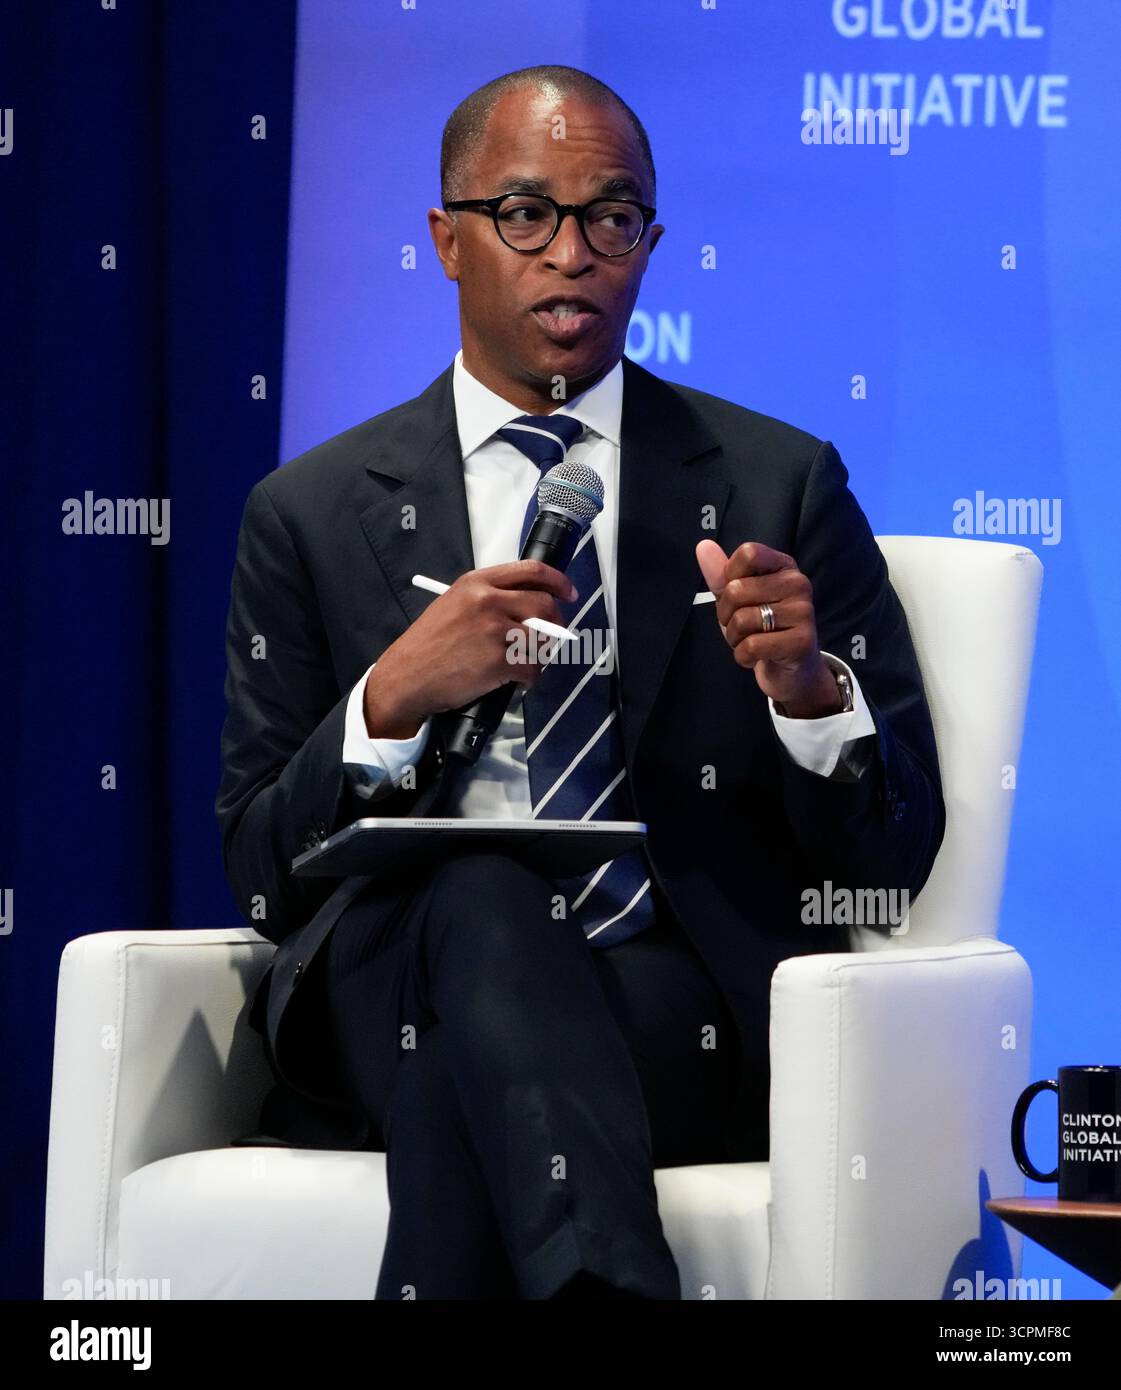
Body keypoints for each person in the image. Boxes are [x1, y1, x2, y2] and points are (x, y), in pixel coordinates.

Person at [216, 64, 945, 1300]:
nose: (572, 253)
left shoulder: (776, 486)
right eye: (525, 214)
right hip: (383, 987)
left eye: (611, 219)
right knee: (486, 889)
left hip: (672, 1001)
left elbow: (890, 857)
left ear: (649, 245)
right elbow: (254, 868)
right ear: (446, 241)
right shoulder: (311, 512)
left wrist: (810, 700)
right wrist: (390, 699)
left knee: (467, 1088)